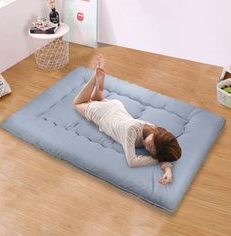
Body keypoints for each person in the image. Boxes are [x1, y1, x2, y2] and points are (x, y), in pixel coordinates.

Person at [74, 55, 181, 185]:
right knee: (77, 103)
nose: (147, 148)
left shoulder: (155, 129)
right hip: (102, 115)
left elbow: (162, 149)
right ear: (156, 138)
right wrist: (156, 160)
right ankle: (94, 78)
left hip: (116, 108)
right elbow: (132, 161)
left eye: (150, 151)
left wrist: (168, 169)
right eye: (151, 146)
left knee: (97, 101)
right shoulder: (132, 131)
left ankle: (99, 84)